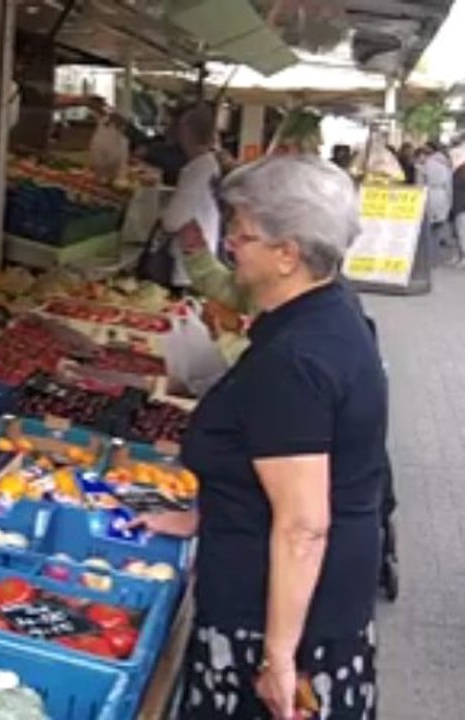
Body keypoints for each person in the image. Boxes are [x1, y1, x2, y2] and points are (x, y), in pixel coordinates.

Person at [137, 156, 386, 719]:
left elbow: (303, 525)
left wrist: (278, 657)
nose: (230, 246)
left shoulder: (295, 360)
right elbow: (274, 459)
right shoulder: (330, 313)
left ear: (287, 254)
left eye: (243, 235)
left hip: (273, 621)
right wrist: (204, 514)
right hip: (316, 605)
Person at [159, 103, 222, 289]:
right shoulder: (211, 164)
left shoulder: (196, 170)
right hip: (205, 252)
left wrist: (162, 211)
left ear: (187, 133)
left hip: (189, 262)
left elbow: (172, 222)